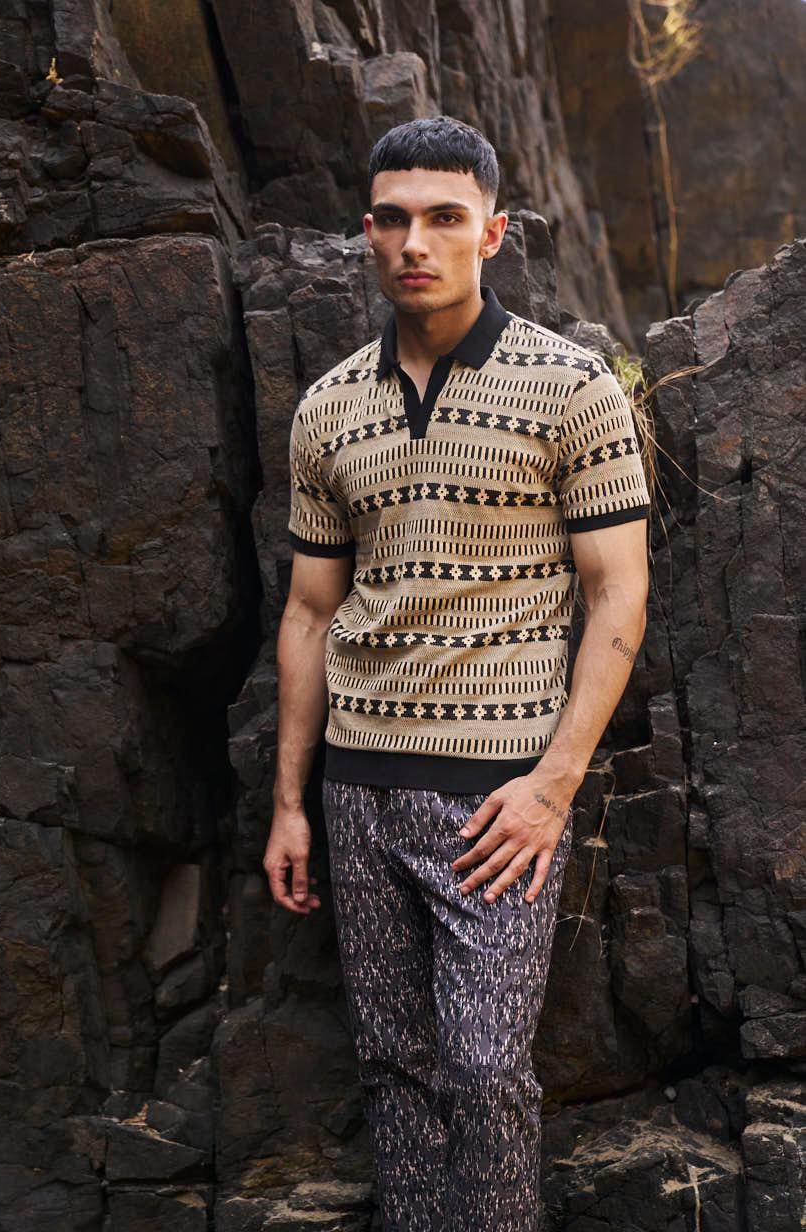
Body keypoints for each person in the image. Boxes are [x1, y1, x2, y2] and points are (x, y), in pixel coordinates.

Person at [265, 115, 652, 1232]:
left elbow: (617, 595)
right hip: (357, 786)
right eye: (392, 219)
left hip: (500, 796)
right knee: (392, 1063)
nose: (414, 243)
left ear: (491, 232)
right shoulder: (328, 405)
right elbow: (309, 610)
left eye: (443, 218)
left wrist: (552, 787)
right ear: (366, 233)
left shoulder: (571, 387)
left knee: (483, 1070)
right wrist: (290, 801)